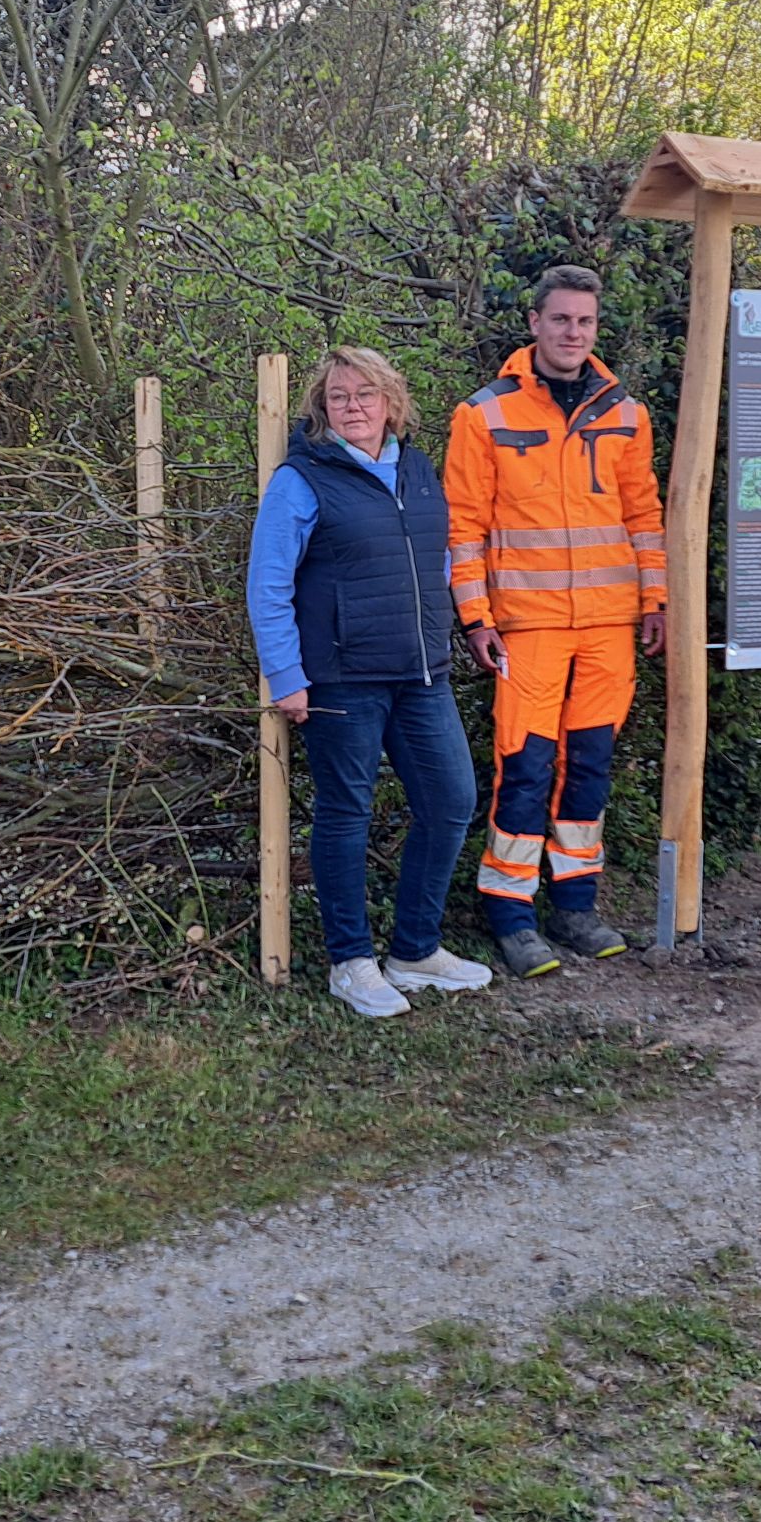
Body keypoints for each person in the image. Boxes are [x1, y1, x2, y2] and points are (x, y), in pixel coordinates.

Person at [247, 346, 491, 1018]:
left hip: (420, 672)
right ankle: (350, 962)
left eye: (365, 395)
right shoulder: (303, 479)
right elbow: (267, 583)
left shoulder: (415, 468)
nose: (352, 408)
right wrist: (286, 675)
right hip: (340, 677)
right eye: (338, 397)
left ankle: (413, 949)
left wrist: (449, 625)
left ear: (391, 401)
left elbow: (435, 561)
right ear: (322, 410)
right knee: (345, 814)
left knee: (451, 800)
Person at [445, 265, 667, 978]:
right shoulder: (484, 414)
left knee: (591, 770)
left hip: (609, 627)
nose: (574, 333)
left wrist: (654, 601)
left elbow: (644, 516)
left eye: (586, 322)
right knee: (526, 767)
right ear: (535, 323)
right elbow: (464, 527)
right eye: (562, 320)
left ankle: (575, 907)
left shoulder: (627, 413)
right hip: (528, 628)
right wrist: (475, 616)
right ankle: (510, 913)